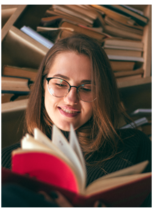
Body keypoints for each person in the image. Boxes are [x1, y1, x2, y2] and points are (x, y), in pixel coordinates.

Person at [0, 34, 152, 208]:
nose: (71, 99)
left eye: (86, 88)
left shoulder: (135, 146)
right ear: (43, 85)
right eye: (60, 84)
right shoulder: (4, 161)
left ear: (101, 95)